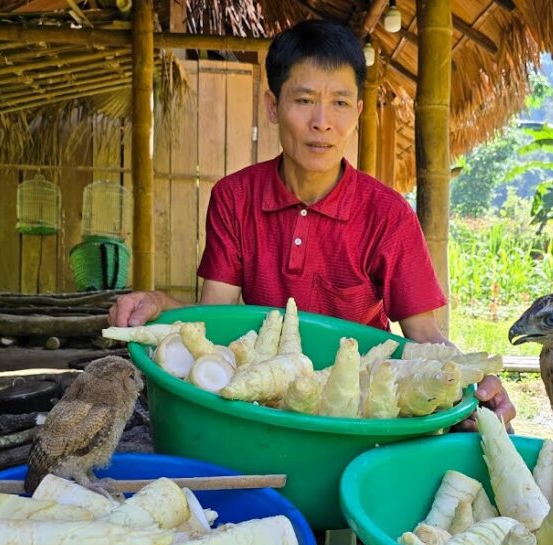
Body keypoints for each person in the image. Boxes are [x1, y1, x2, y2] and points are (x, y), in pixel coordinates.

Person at [110, 19, 515, 426]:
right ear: (273, 106)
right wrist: (159, 304)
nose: (322, 122)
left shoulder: (388, 215)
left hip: (357, 415)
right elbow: (215, 320)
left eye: (340, 103)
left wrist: (473, 378)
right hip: (264, 404)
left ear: (357, 111)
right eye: (304, 100)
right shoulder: (235, 197)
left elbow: (424, 336)